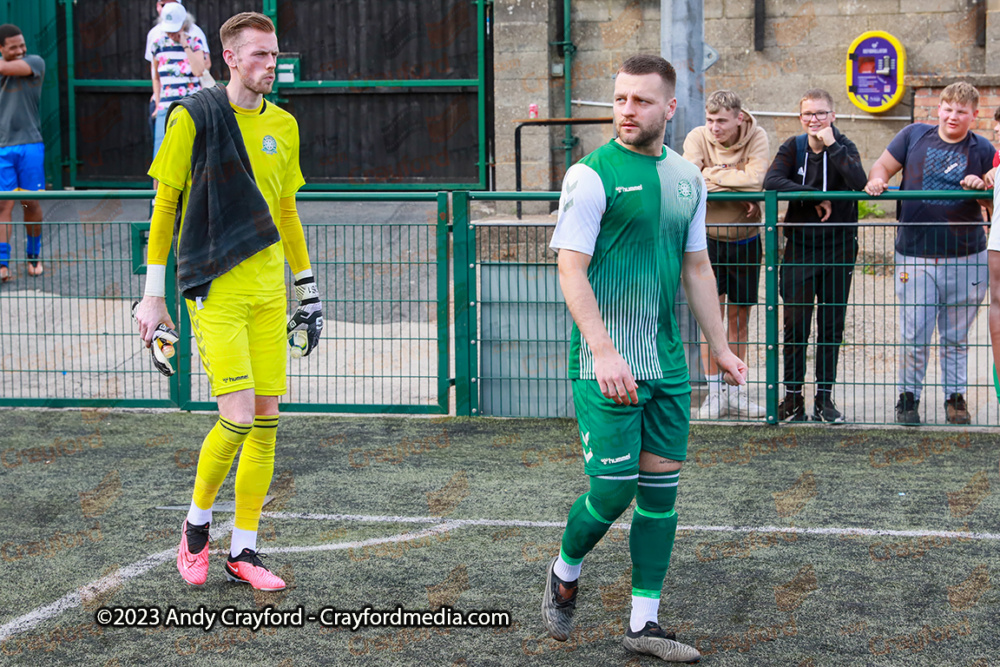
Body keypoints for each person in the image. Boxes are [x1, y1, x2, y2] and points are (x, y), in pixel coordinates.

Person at [543, 54, 747, 663]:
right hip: (606, 366)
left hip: (666, 368)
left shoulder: (689, 177)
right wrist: (602, 349)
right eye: (620, 99)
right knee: (611, 493)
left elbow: (697, 266)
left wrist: (721, 345)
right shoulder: (589, 175)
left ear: (669, 107)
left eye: (640, 100)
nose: (625, 111)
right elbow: (570, 267)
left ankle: (644, 624)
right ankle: (564, 569)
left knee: (661, 496)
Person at [134, 12, 322, 591]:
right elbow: (165, 207)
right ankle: (196, 526)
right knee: (236, 417)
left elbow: (287, 212)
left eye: (274, 53)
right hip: (214, 289)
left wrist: (307, 291)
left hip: (270, 292)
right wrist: (152, 296)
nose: (270, 64)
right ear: (229, 59)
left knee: (267, 421)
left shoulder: (285, 126)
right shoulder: (193, 116)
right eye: (259, 55)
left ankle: (245, 550)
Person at [865, 81, 993, 425]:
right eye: (948, 109)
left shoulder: (982, 148)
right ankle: (909, 398)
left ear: (974, 115)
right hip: (915, 254)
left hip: (966, 255)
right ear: (938, 108)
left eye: (961, 112)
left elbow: (991, 203)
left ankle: (955, 397)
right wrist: (877, 181)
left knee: (956, 336)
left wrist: (982, 188)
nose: (953, 116)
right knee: (914, 333)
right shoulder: (912, 136)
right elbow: (882, 167)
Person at [763, 88, 867, 423]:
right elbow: (772, 181)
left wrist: (833, 145)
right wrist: (812, 196)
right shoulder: (793, 147)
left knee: (831, 325)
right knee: (795, 324)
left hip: (839, 247)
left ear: (832, 116)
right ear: (800, 117)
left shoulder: (845, 146)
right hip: (801, 249)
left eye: (821, 113)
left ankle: (825, 398)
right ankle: (793, 397)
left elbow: (858, 182)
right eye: (808, 114)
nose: (814, 120)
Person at [682, 89, 768, 420]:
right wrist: (737, 186)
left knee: (739, 320)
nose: (714, 128)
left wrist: (711, 175)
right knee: (711, 319)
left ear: (739, 118)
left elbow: (756, 179)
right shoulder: (697, 137)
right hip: (707, 240)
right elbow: (689, 176)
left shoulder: (756, 135)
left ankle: (737, 391)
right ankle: (715, 393)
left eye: (721, 121)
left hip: (745, 238)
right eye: (709, 120)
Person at [0, 24, 44, 282]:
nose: (20, 50)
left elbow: (6, 67)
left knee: (30, 203)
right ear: (1, 48)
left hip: (30, 145)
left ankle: (33, 257)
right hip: (2, 147)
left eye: (22, 45)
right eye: (13, 47)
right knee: (3, 204)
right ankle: (2, 264)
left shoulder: (35, 62)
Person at [145, 0, 211, 142]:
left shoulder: (195, 42)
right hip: (165, 107)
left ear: (184, 24)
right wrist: (157, 105)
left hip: (192, 106)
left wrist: (185, 45)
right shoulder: (157, 45)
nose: (171, 33)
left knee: (192, 154)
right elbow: (156, 77)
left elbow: (199, 71)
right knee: (161, 155)